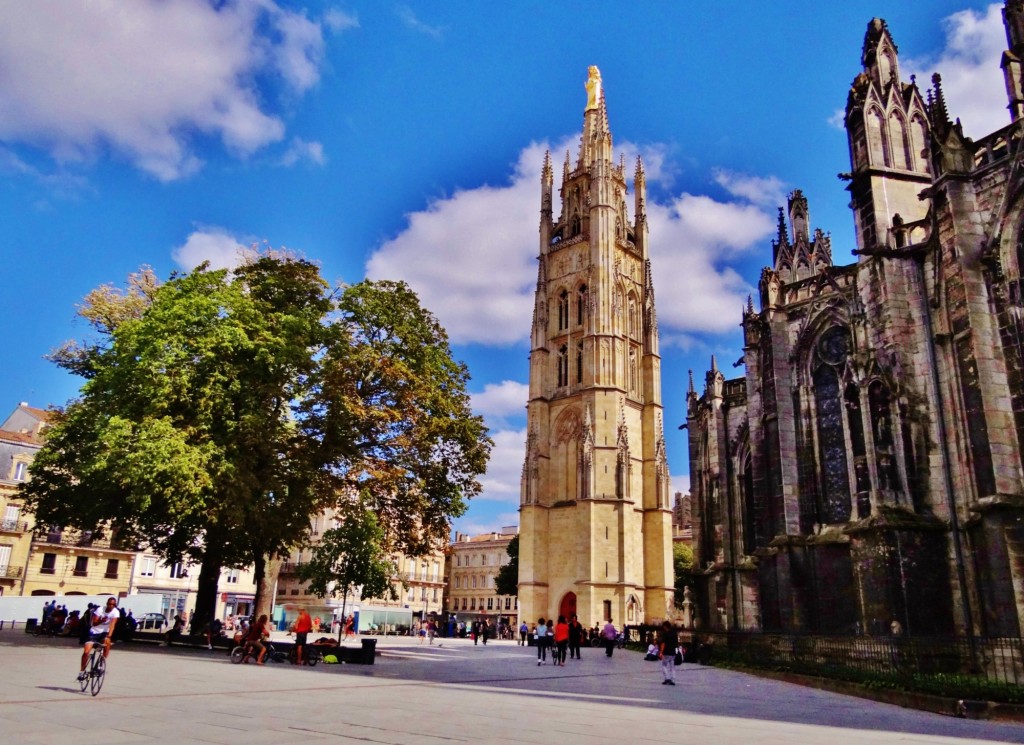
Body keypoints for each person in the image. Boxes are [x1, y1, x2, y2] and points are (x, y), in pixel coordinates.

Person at [78, 596, 119, 681]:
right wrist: (101, 621)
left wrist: (109, 636)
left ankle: (101, 662)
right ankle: (81, 672)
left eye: (113, 604)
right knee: (86, 652)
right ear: (107, 604)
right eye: (109, 604)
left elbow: (112, 625)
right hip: (94, 632)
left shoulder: (115, 612)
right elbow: (94, 623)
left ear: (115, 605)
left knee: (108, 642)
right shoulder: (99, 610)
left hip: (104, 632)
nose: (111, 606)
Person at [658, 620, 679, 685]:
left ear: (665, 626)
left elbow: (663, 644)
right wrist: (676, 652)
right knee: (672, 666)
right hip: (673, 652)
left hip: (666, 652)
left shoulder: (665, 634)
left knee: (664, 665)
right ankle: (673, 679)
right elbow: (676, 643)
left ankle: (667, 678)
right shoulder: (675, 633)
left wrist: (661, 652)